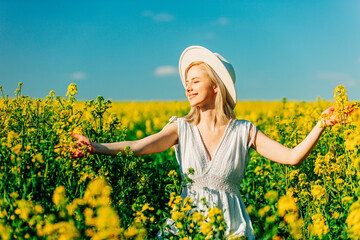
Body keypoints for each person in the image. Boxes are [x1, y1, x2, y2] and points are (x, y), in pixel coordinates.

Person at [70, 46, 348, 239]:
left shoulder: (244, 131)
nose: (187, 87)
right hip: (186, 226)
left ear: (215, 85)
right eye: (186, 83)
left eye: (194, 81)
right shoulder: (180, 127)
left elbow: (292, 157)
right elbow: (140, 145)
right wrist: (96, 147)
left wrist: (320, 124)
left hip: (230, 227)